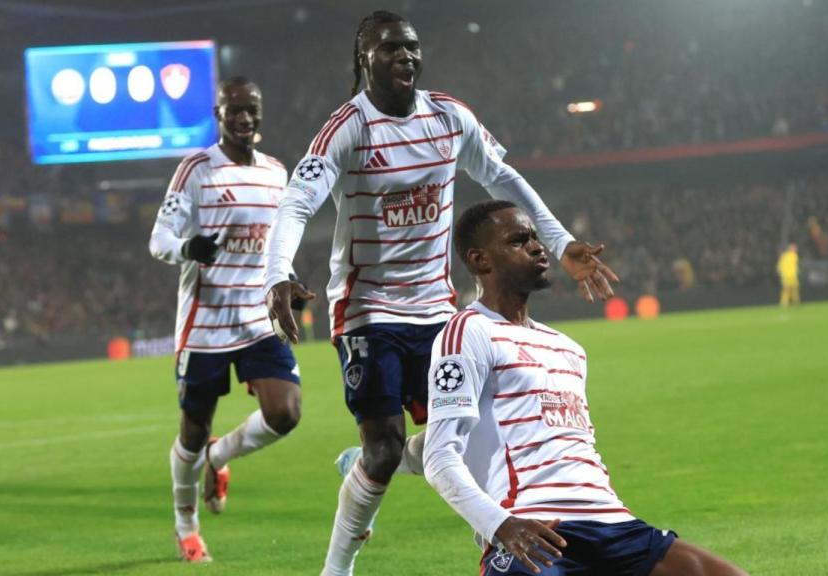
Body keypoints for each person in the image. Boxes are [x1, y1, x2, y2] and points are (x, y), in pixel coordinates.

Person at [263, 11, 617, 576]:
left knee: (472, 442)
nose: (404, 56)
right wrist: (276, 272)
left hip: (439, 311)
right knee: (385, 451)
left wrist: (562, 240)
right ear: (364, 59)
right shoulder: (347, 128)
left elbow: (502, 178)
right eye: (389, 49)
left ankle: (377, 473)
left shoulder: (449, 117)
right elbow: (297, 201)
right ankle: (337, 569)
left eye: (410, 47)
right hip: (368, 311)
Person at [424, 200, 749, 576]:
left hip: (615, 526)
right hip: (535, 527)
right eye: (518, 240)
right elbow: (439, 456)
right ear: (481, 260)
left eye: (535, 237)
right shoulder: (468, 332)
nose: (537, 246)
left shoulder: (569, 349)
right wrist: (500, 526)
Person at [149, 76, 314, 563]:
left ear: (260, 114)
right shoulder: (196, 169)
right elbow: (158, 238)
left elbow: (275, 245)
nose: (243, 117)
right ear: (218, 114)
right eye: (233, 109)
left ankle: (219, 458)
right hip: (205, 324)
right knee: (192, 431)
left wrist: (290, 280)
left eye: (251, 109)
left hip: (258, 316)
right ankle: (187, 526)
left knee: (286, 413)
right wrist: (186, 248)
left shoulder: (277, 173)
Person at [777, 243, 800, 308]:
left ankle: (791, 302)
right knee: (789, 289)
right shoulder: (794, 256)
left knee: (792, 290)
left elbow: (779, 266)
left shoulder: (784, 255)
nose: (796, 249)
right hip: (789, 275)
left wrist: (780, 271)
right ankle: (787, 303)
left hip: (789, 275)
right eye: (794, 248)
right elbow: (780, 265)